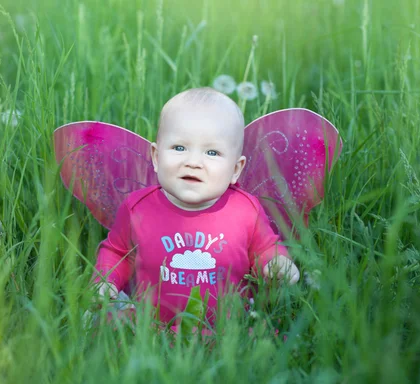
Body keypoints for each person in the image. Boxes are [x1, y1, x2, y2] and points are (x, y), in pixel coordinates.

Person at [93, 87, 300, 327]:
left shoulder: (245, 210)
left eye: (212, 152)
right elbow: (118, 253)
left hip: (226, 327)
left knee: (265, 341)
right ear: (156, 157)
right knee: (105, 327)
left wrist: (276, 262)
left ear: (235, 169)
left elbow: (265, 248)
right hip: (149, 325)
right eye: (179, 148)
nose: (193, 162)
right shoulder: (137, 208)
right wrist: (106, 279)